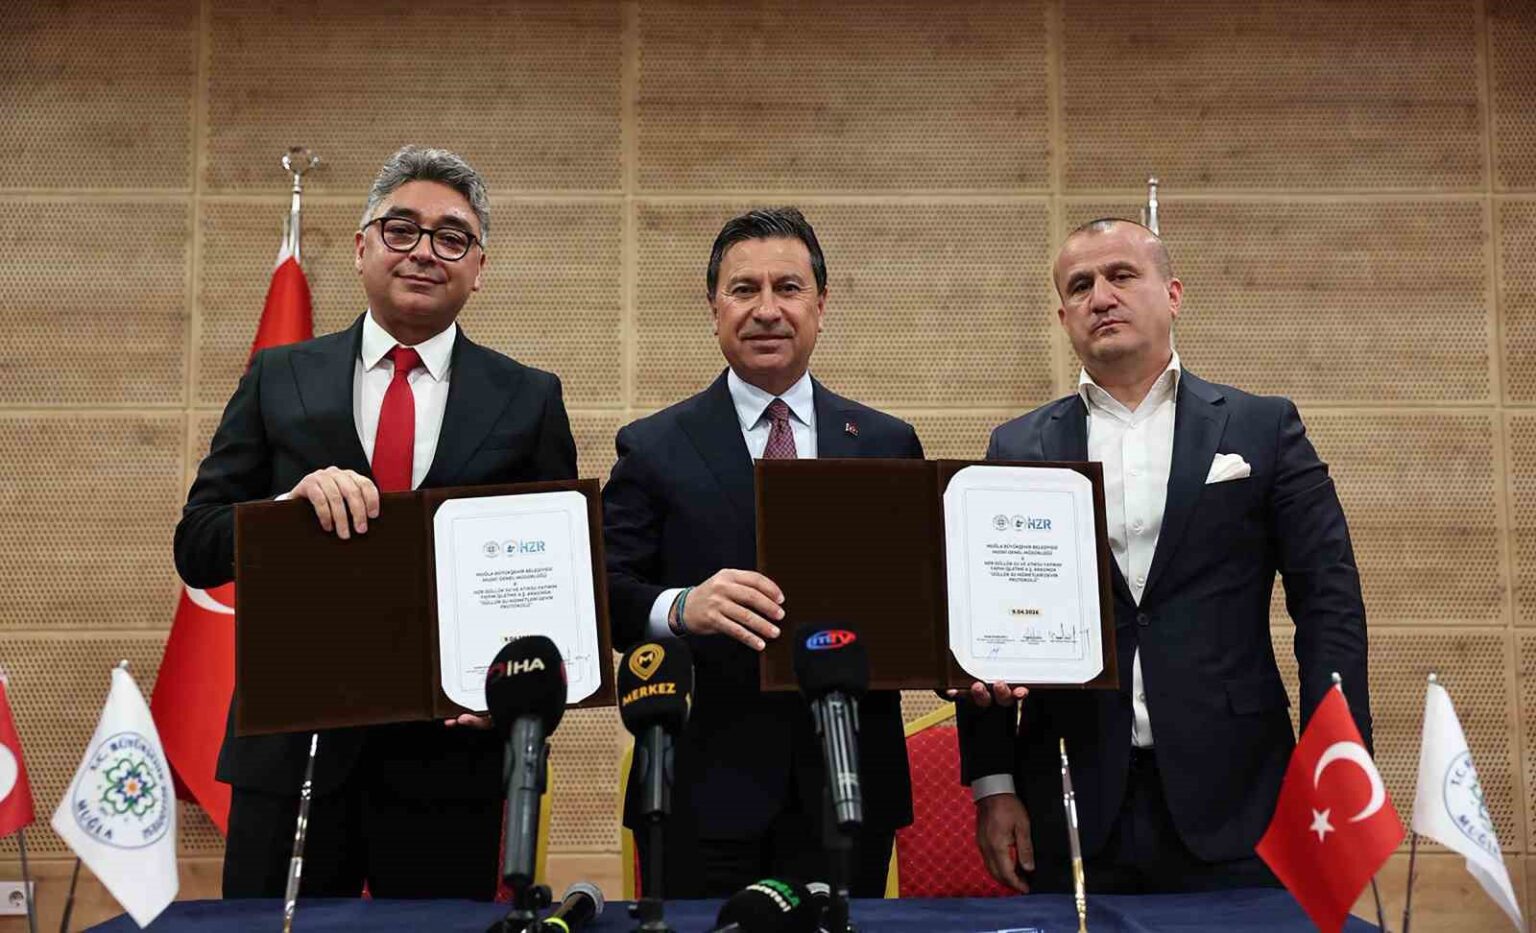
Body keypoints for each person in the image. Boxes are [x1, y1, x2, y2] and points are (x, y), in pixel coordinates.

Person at [174, 145, 577, 900]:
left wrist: (513, 696)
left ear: (479, 268)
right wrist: (284, 514)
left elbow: (554, 585)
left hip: (451, 764)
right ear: (362, 248)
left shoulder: (528, 398)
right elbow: (196, 545)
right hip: (291, 750)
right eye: (401, 229)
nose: (424, 251)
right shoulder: (278, 376)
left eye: (451, 237)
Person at [957, 218, 1370, 894]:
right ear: (1063, 316)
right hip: (1071, 794)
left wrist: (1341, 761)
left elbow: (1329, 605)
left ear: (1173, 294)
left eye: (1122, 275)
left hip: (1243, 794)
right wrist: (994, 785)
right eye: (1080, 286)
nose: (1101, 296)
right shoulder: (1018, 445)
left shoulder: (1263, 427)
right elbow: (982, 625)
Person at [602, 208, 919, 897]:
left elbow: (923, 597)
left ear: (821, 306)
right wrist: (681, 607)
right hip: (702, 790)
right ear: (714, 307)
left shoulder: (886, 444)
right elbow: (604, 594)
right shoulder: (653, 446)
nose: (767, 309)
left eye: (789, 288)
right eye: (744, 289)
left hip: (849, 786)